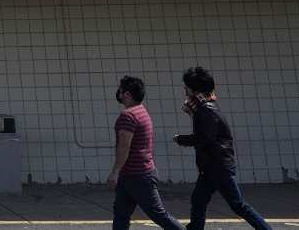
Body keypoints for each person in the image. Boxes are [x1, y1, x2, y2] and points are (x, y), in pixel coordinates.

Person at [174, 67, 272, 230]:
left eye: (186, 87)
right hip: (212, 166)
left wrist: (180, 139)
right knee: (198, 199)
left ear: (194, 89)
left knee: (238, 205)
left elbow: (205, 138)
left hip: (218, 167)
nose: (184, 91)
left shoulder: (205, 110)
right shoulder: (206, 107)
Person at [109, 75, 185, 230]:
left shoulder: (128, 116)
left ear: (128, 95)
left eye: (121, 91)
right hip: (133, 174)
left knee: (158, 214)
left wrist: (115, 172)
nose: (119, 94)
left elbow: (124, 147)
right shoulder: (142, 111)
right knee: (121, 213)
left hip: (137, 176)